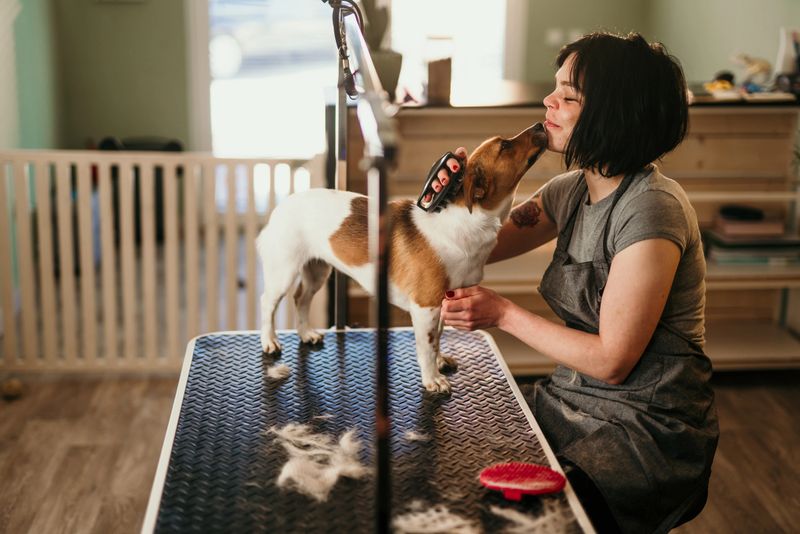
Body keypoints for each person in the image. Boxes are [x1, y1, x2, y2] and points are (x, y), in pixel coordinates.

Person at [431, 32, 719, 533]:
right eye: (554, 88)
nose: (549, 101)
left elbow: (612, 361)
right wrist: (448, 206)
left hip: (644, 430)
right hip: (574, 400)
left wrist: (501, 314)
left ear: (614, 113)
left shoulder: (650, 209)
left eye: (569, 95)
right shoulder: (570, 190)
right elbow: (476, 248)